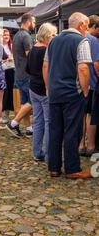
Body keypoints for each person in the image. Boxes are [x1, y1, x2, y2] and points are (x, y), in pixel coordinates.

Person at [43, 12, 92, 179]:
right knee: (72, 130)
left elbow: (45, 65)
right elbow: (83, 68)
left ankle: (54, 168)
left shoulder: (53, 41)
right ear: (81, 25)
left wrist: (49, 87)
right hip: (73, 92)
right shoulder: (81, 41)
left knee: (55, 130)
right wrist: (85, 90)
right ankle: (72, 168)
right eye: (86, 24)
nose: (87, 28)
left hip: (55, 92)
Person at [26, 23, 57, 162]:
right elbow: (49, 69)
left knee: (38, 121)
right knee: (48, 122)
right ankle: (50, 155)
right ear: (46, 36)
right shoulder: (47, 50)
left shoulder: (33, 49)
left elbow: (28, 69)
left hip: (33, 88)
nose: (54, 37)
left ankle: (37, 152)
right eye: (52, 35)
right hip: (44, 89)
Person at [6, 14, 35, 137]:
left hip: (18, 73)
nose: (34, 24)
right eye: (33, 21)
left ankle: (29, 129)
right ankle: (13, 123)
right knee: (32, 101)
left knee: (25, 103)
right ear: (28, 22)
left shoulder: (17, 35)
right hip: (26, 74)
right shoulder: (26, 36)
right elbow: (30, 56)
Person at [79, 15, 99, 157]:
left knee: (81, 114)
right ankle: (91, 145)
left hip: (78, 83)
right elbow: (96, 63)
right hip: (92, 83)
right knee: (91, 115)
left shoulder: (77, 38)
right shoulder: (93, 41)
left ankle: (80, 145)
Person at [1, 29, 15, 123]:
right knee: (5, 93)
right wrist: (7, 60)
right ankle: (4, 115)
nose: (6, 36)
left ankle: (10, 113)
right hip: (3, 72)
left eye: (8, 35)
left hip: (12, 71)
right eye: (4, 35)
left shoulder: (11, 46)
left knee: (11, 92)